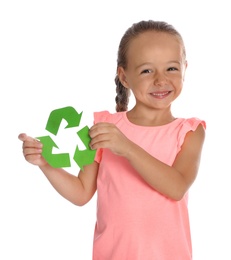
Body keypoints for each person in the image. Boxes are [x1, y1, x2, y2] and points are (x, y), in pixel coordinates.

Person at [18, 20, 206, 260]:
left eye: (171, 68)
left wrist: (126, 146)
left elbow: (176, 187)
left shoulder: (189, 130)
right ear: (124, 77)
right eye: (147, 70)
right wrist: (45, 163)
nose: (161, 80)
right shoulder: (104, 127)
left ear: (185, 68)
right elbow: (82, 192)